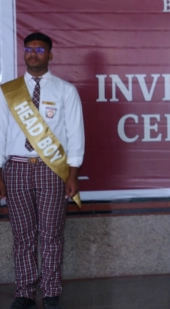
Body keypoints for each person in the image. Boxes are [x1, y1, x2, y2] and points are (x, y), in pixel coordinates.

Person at [0, 32, 84, 309]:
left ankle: (50, 292)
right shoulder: (8, 91)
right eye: (29, 49)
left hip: (52, 169)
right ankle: (24, 292)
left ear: (50, 54)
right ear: (24, 53)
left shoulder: (65, 90)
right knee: (22, 235)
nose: (33, 53)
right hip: (16, 168)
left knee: (51, 234)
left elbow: (75, 133)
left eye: (39, 49)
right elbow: (0, 133)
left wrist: (73, 174)